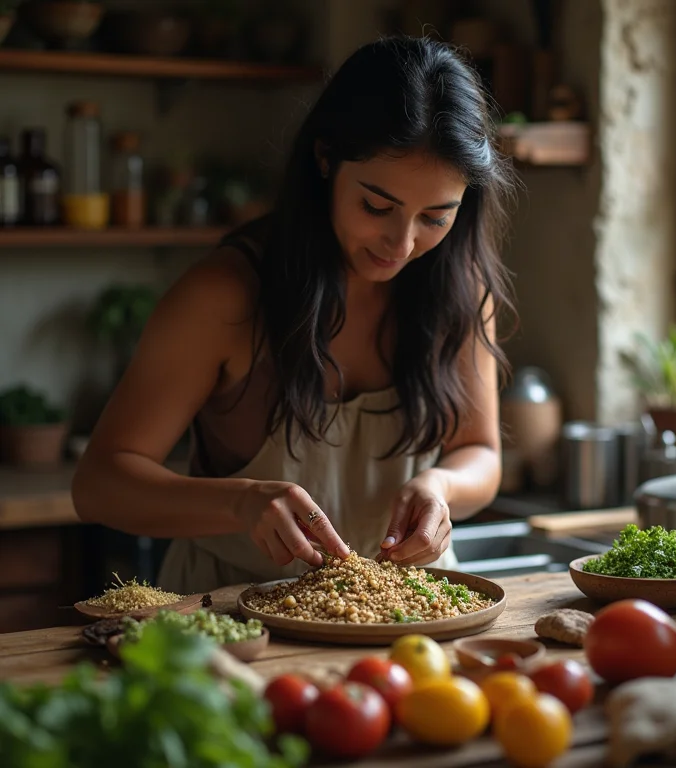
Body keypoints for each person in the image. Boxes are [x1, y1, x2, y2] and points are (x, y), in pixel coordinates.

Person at [72, 35, 517, 594]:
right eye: (377, 206)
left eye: (435, 216)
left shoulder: (460, 287)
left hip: (408, 619)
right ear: (325, 158)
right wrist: (240, 503)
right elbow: (99, 484)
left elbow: (480, 454)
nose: (401, 244)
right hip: (233, 620)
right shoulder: (225, 297)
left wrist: (441, 485)